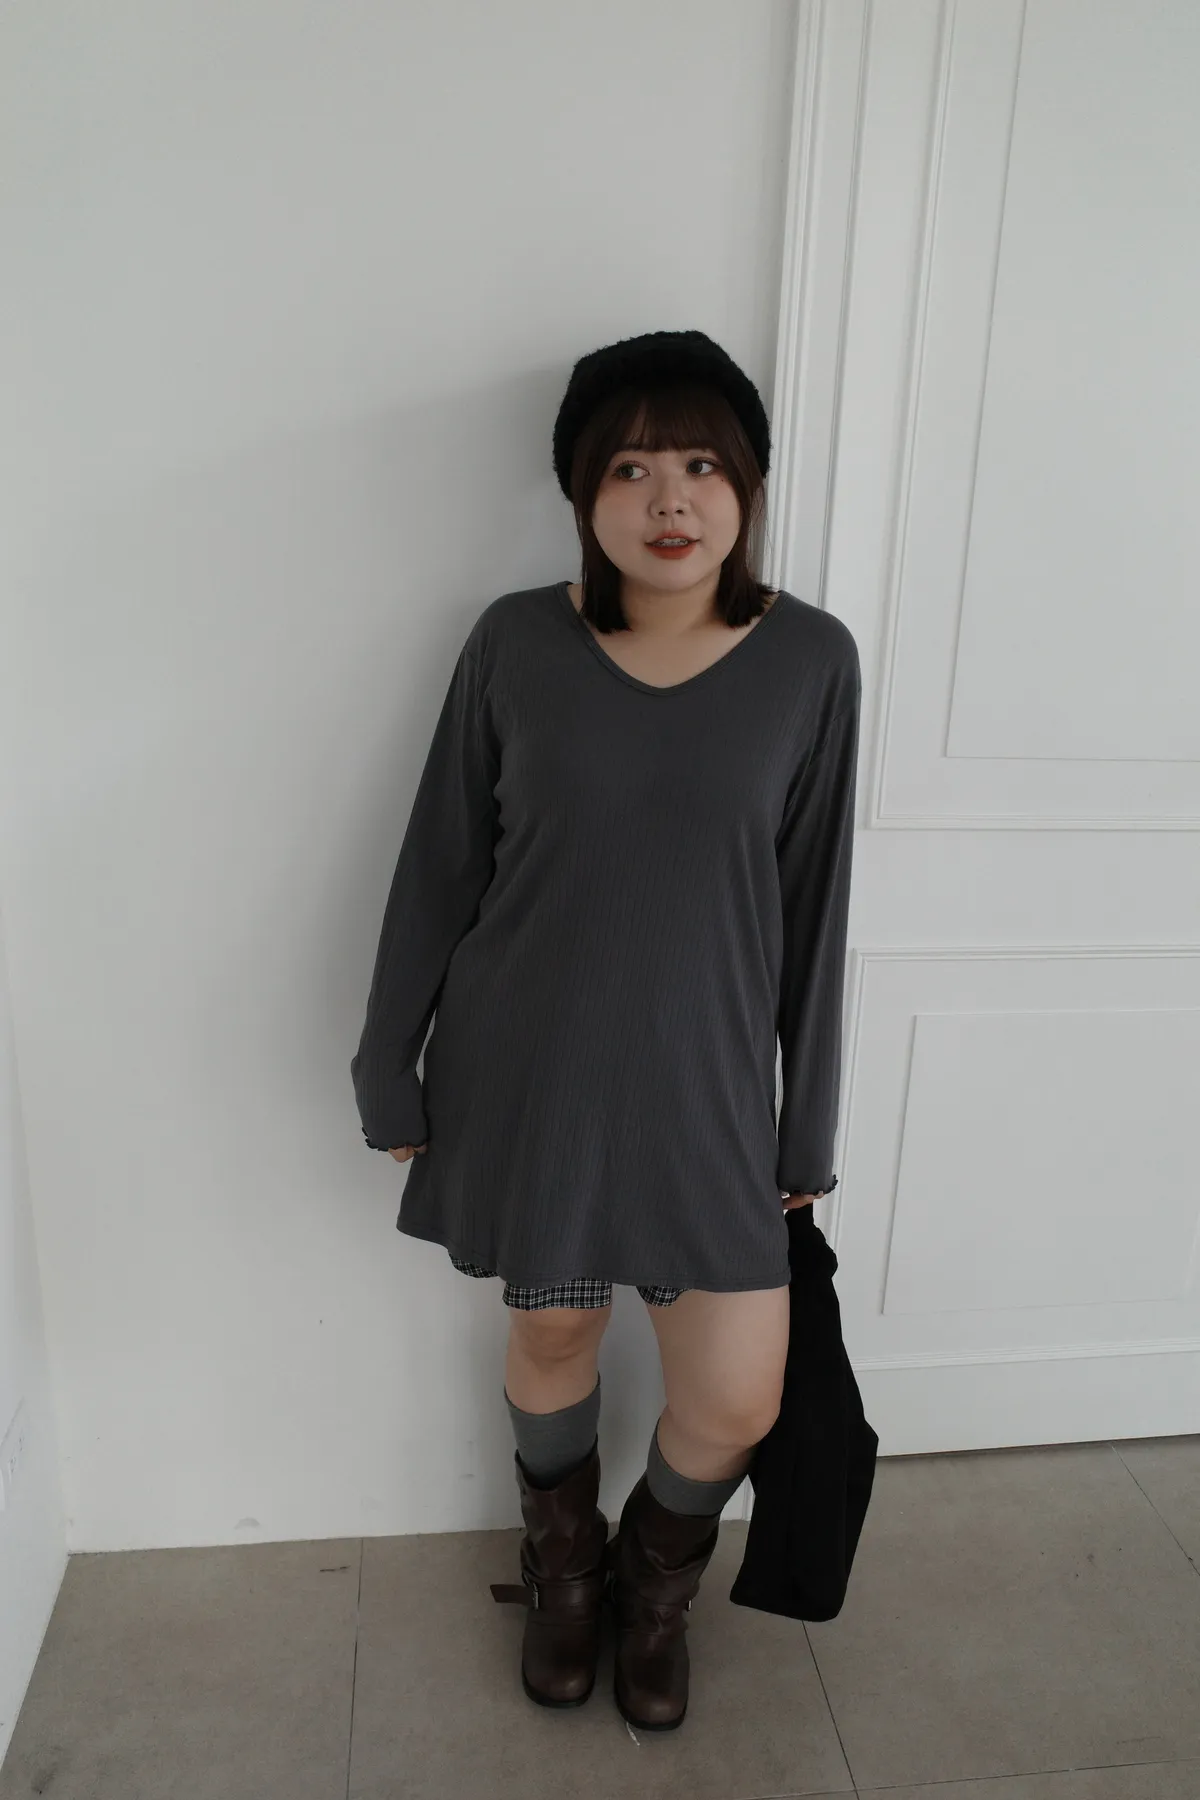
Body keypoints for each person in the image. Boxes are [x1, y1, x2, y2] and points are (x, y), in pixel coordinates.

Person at [350, 328, 861, 1731]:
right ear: (582, 492)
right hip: (535, 1081)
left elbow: (816, 911)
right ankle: (566, 1575)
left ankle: (654, 1583)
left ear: (746, 485)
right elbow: (440, 867)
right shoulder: (517, 641)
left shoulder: (809, 659)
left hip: (707, 1099)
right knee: (558, 1338)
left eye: (702, 464)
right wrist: (388, 1065)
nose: (669, 499)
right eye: (629, 470)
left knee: (738, 1398)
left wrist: (806, 1127)